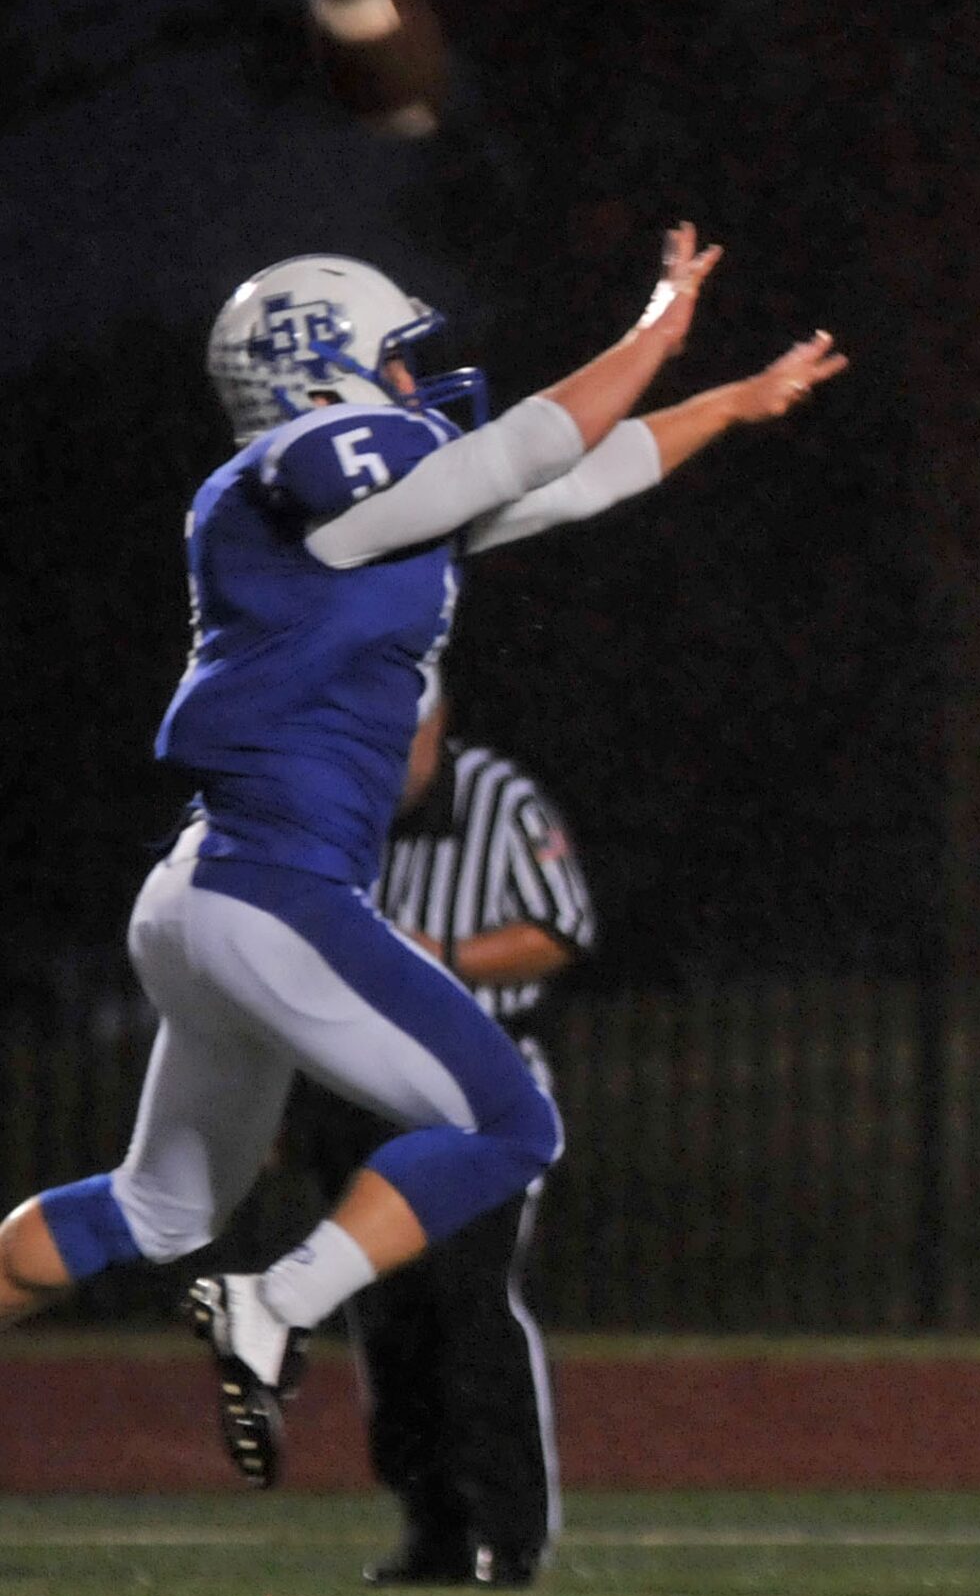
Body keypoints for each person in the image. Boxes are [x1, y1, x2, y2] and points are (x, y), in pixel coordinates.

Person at [0, 224, 847, 1493]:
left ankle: (260, 1297)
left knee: (159, 1209)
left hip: (205, 889)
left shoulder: (350, 516)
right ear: (319, 368)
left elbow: (579, 478)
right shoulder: (308, 467)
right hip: (272, 886)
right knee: (509, 1122)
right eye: (392, 361)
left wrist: (725, 397)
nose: (413, 385)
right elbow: (527, 446)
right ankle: (274, 1306)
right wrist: (658, 328)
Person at [288, 682, 593, 1587]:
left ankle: (511, 1532)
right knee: (389, 1321)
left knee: (470, 1304)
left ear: (435, 726)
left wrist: (441, 958)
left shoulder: (496, 796)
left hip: (475, 1097)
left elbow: (559, 928)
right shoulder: (334, 809)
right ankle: (434, 1529)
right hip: (360, 1094)